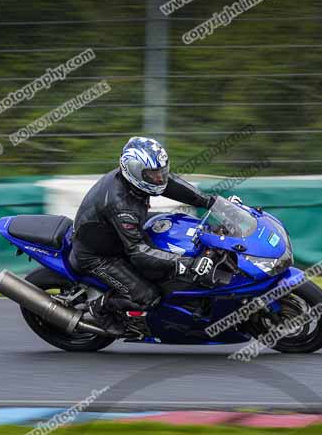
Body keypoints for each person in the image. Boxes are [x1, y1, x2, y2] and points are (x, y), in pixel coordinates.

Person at [69, 136, 230, 330]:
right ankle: (100, 308)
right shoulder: (121, 205)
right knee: (149, 297)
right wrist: (186, 264)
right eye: (154, 174)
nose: (160, 178)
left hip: (120, 233)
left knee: (178, 226)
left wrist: (214, 203)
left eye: (162, 172)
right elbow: (138, 252)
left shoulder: (139, 181)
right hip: (99, 255)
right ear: (135, 172)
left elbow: (175, 187)